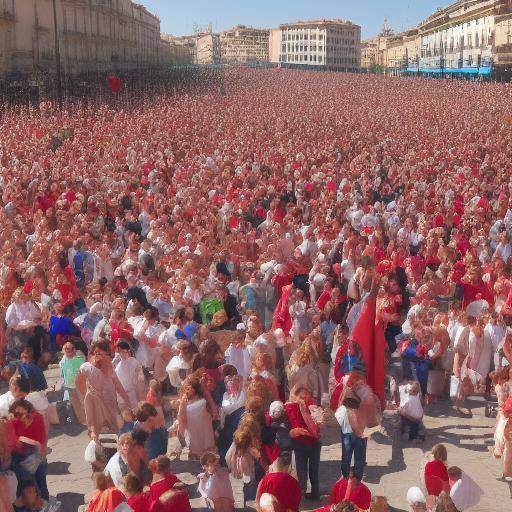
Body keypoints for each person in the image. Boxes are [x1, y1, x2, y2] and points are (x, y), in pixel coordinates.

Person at [75, 340, 129, 439]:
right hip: (95, 401)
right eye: (96, 353)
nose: (98, 355)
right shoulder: (86, 367)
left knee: (115, 426)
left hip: (109, 400)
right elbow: (78, 383)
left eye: (101, 353)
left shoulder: (109, 366)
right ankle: (98, 447)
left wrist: (127, 399)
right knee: (96, 428)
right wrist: (87, 394)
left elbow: (117, 385)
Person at [285, 385, 323, 501]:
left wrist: (320, 424)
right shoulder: (290, 408)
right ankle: (302, 492)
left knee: (313, 468)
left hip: (314, 442)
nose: (304, 398)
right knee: (301, 469)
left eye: (307, 395)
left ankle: (315, 493)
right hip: (300, 443)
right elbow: (288, 426)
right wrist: (293, 432)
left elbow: (319, 424)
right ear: (295, 396)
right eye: (301, 396)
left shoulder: (314, 407)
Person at [8, 399, 48, 500]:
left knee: (38, 484)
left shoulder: (37, 418)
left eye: (25, 414)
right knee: (32, 486)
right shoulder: (13, 422)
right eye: (17, 414)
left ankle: (45, 503)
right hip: (27, 458)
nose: (22, 417)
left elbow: (42, 438)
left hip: (33, 457)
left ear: (31, 412)